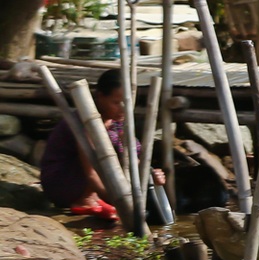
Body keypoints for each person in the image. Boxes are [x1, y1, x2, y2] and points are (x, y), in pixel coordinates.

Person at [38, 68, 164, 225]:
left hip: (94, 181)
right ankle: (85, 200)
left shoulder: (118, 122)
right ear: (100, 97)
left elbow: (132, 159)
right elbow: (91, 173)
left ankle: (96, 198)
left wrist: (151, 175)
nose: (122, 108)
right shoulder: (86, 123)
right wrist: (121, 202)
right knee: (104, 157)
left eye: (126, 101)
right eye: (116, 102)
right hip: (64, 182)